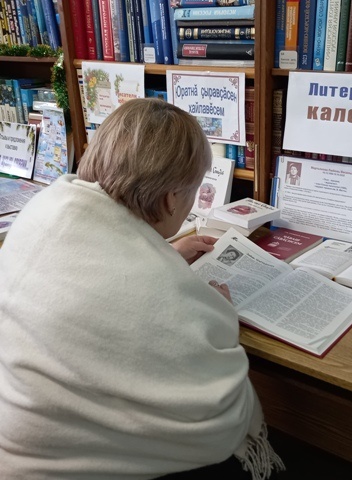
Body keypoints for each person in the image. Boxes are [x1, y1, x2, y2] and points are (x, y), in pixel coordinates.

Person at [0, 99, 284, 479]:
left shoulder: (47, 207)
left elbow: (95, 268)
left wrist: (161, 254)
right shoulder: (152, 291)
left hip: (19, 433)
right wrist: (217, 312)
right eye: (194, 191)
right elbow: (216, 403)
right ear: (171, 199)